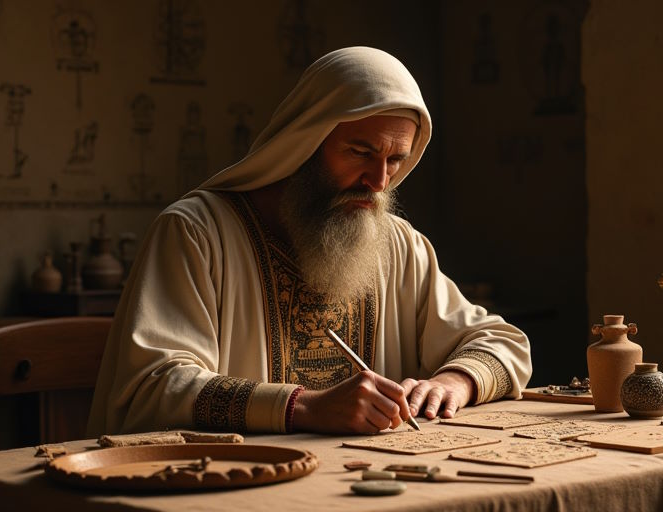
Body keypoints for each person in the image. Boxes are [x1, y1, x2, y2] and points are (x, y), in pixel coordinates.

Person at [87, 47, 533, 436]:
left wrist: (455, 381)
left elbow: (502, 342)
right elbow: (153, 386)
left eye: (396, 159)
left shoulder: (396, 245)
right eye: (360, 152)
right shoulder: (196, 233)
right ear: (306, 141)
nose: (378, 182)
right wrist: (304, 407)